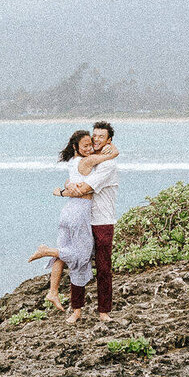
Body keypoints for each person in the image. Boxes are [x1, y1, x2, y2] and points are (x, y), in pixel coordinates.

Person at [28, 129, 97, 310]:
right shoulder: (87, 161)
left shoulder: (73, 163)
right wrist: (109, 148)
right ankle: (46, 250)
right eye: (86, 145)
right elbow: (111, 156)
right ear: (76, 147)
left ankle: (53, 292)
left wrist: (62, 190)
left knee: (63, 252)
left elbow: (70, 183)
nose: (90, 148)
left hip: (67, 211)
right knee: (81, 256)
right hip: (79, 213)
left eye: (91, 144)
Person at [78, 120, 119, 321]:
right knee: (79, 262)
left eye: (101, 137)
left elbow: (85, 187)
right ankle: (76, 309)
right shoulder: (93, 159)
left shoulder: (108, 165)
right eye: (94, 136)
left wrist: (62, 191)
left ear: (109, 140)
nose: (96, 139)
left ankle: (104, 311)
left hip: (103, 220)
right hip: (85, 218)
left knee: (103, 267)